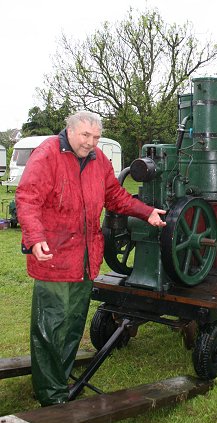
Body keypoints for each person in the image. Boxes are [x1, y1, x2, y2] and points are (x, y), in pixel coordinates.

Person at [16, 111, 167, 406]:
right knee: (50, 327)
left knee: (72, 325)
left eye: (96, 137)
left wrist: (145, 211)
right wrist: (35, 239)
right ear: (69, 131)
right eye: (85, 136)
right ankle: (51, 396)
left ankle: (59, 380)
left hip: (85, 260)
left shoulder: (98, 160)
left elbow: (115, 196)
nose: (91, 142)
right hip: (54, 258)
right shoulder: (46, 155)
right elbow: (27, 198)